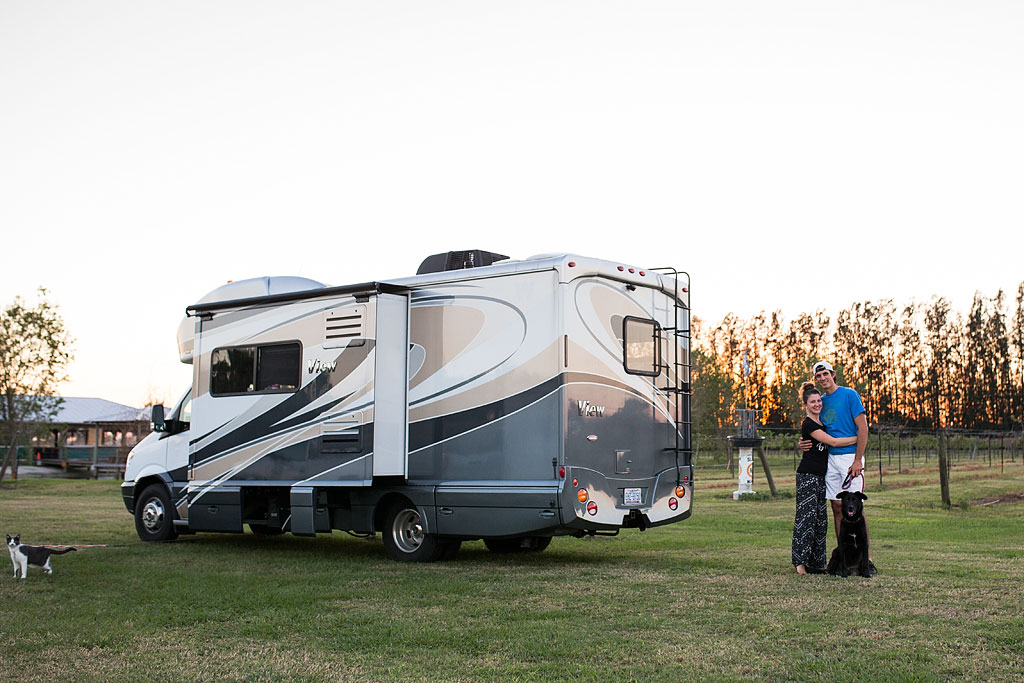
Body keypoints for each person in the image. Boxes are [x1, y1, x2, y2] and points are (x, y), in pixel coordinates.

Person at [798, 360, 876, 576]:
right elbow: (812, 428)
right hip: (830, 460)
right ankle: (844, 557)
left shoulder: (849, 395)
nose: (822, 378)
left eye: (825, 374)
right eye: (818, 376)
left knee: (856, 508)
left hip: (850, 458)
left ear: (833, 374)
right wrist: (802, 442)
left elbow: (863, 427)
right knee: (837, 507)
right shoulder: (819, 402)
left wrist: (858, 459)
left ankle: (867, 559)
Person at [793, 382, 857, 574]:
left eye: (819, 401)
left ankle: (816, 562)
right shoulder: (809, 424)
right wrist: (859, 437)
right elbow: (834, 442)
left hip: (822, 477)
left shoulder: (823, 423)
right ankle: (800, 563)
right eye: (812, 402)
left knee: (820, 521)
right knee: (806, 519)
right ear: (805, 404)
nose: (817, 404)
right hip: (808, 476)